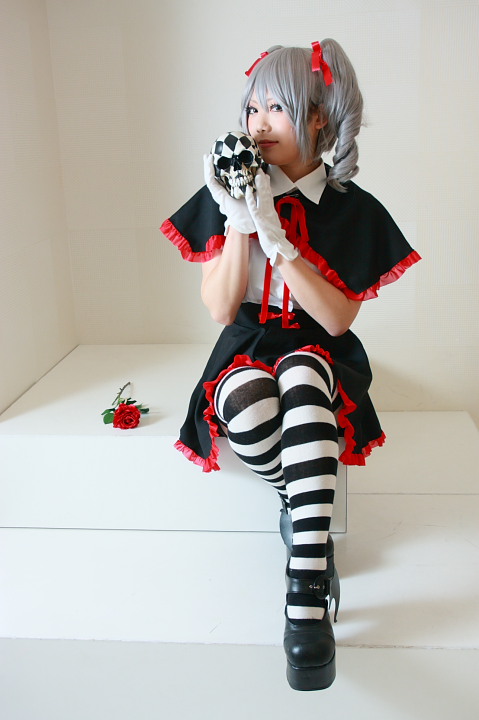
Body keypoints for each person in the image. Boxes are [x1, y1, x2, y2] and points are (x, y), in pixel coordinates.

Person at [161, 39, 421, 691]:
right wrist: (239, 219)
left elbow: (335, 320)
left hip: (318, 347)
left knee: (303, 374)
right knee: (247, 398)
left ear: (318, 116)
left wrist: (277, 241)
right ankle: (304, 509)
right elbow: (221, 309)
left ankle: (304, 592)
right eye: (252, 108)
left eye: (276, 107)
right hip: (247, 344)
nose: (259, 123)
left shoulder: (351, 209)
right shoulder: (229, 190)